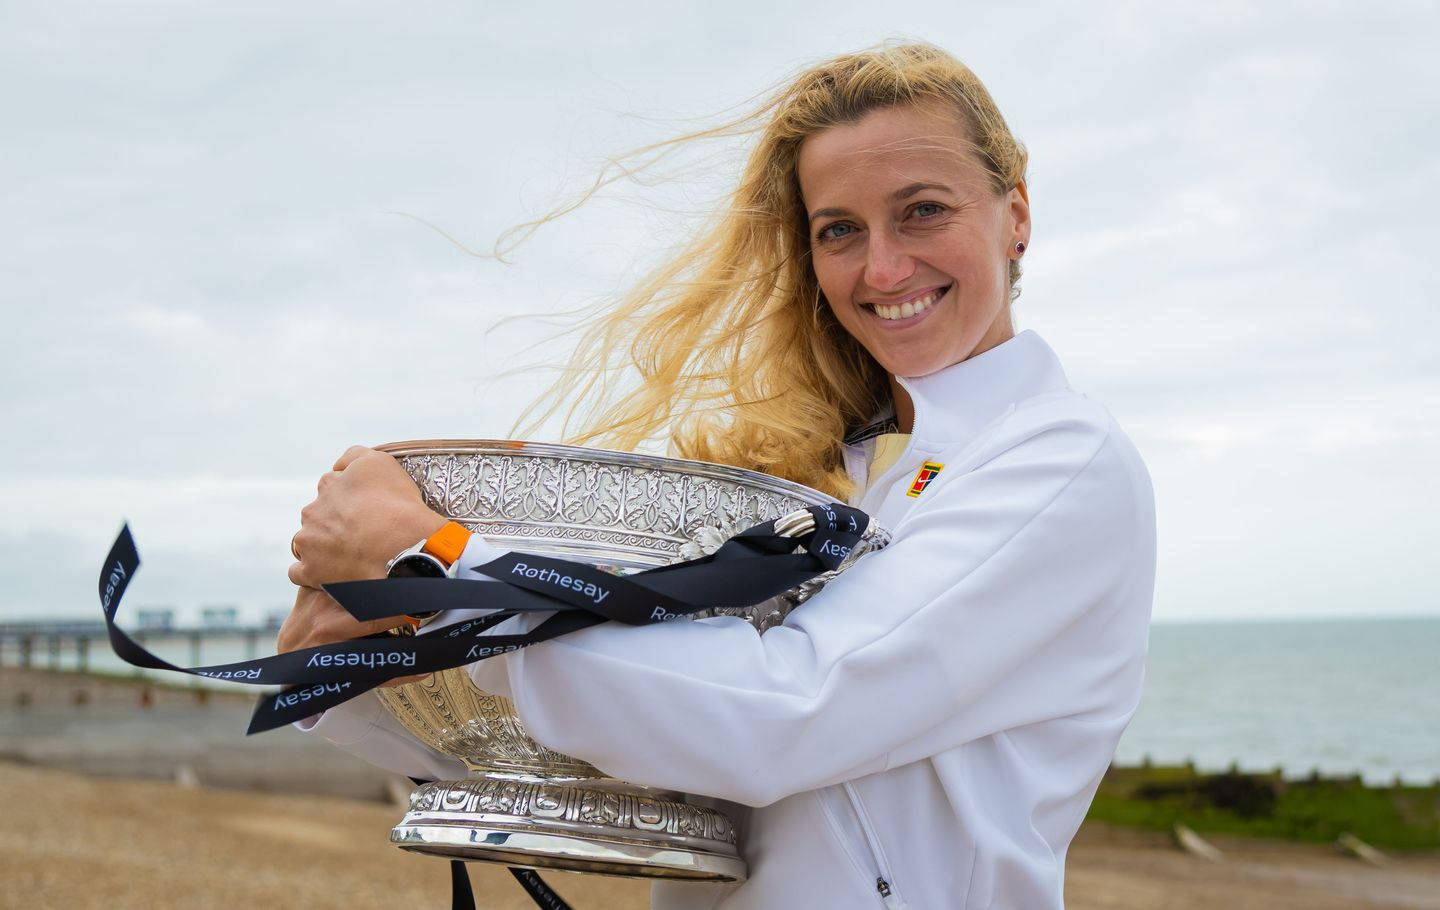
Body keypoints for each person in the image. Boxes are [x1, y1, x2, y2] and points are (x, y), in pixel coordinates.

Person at [279, 42, 1156, 908]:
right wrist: (372, 658)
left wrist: (429, 562)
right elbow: (596, 765)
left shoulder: (1060, 461)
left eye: (922, 210)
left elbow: (785, 714)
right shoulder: (825, 475)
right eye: (839, 230)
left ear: (1017, 214)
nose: (883, 269)